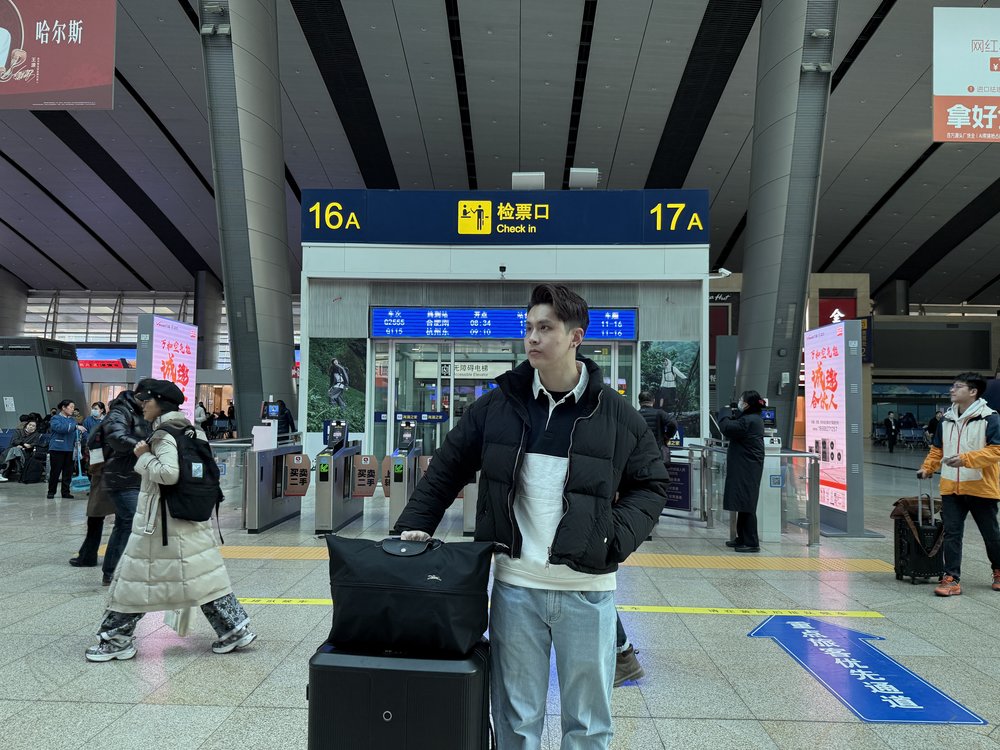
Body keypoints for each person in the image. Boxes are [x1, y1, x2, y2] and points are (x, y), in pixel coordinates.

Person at [393, 283, 668, 749]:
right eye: (529, 328)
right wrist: (412, 526)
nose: (533, 338)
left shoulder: (618, 415)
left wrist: (613, 537)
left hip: (587, 591)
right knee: (516, 721)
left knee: (588, 724)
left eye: (545, 328)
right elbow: (448, 465)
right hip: (515, 587)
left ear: (575, 337)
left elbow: (651, 485)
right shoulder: (498, 406)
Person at [85, 379, 257, 662]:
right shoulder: (192, 430)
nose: (143, 405)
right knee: (202, 577)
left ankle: (116, 640)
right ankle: (234, 628)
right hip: (188, 516)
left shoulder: (164, 435)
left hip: (161, 523)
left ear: (160, 403)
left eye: (146, 401)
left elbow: (168, 474)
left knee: (133, 581)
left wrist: (143, 457)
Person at [917, 373, 1000, 597]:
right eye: (952, 386)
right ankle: (951, 578)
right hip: (951, 486)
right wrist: (928, 468)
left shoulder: (989, 418)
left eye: (958, 387)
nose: (952, 390)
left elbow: (996, 451)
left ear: (973, 392)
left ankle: (998, 569)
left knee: (991, 534)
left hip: (981, 487)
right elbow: (937, 450)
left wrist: (966, 459)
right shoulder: (946, 420)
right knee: (952, 533)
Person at [99, 389, 149, 586]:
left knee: (124, 524)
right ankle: (117, 571)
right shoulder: (120, 411)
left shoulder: (141, 413)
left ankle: (112, 571)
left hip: (134, 476)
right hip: (121, 477)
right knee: (131, 521)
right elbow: (117, 437)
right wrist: (145, 446)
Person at [719, 391, 766, 553]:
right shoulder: (751, 418)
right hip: (745, 466)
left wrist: (724, 412)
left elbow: (727, 428)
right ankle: (742, 538)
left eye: (741, 400)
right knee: (743, 502)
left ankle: (752, 542)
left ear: (747, 404)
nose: (739, 402)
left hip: (747, 467)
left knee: (747, 504)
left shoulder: (749, 420)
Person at [69, 417, 116, 568]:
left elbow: (94, 457)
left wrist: (94, 469)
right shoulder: (131, 426)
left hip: (103, 478)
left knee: (96, 519)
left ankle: (88, 556)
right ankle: (89, 555)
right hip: (120, 478)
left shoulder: (103, 429)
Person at [46, 399, 87, 499]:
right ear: (63, 407)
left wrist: (79, 437)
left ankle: (65, 492)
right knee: (55, 471)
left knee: (68, 472)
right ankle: (51, 491)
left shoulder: (73, 420)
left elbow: (74, 432)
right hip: (57, 448)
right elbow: (61, 428)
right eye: (71, 407)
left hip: (70, 448)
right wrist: (76, 427)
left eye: (73, 407)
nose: (73, 409)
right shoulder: (55, 418)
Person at [638, 390, 678, 462]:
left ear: (639, 402)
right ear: (653, 401)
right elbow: (673, 423)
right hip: (657, 452)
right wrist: (667, 436)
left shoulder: (635, 415)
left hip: (640, 454)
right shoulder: (660, 413)